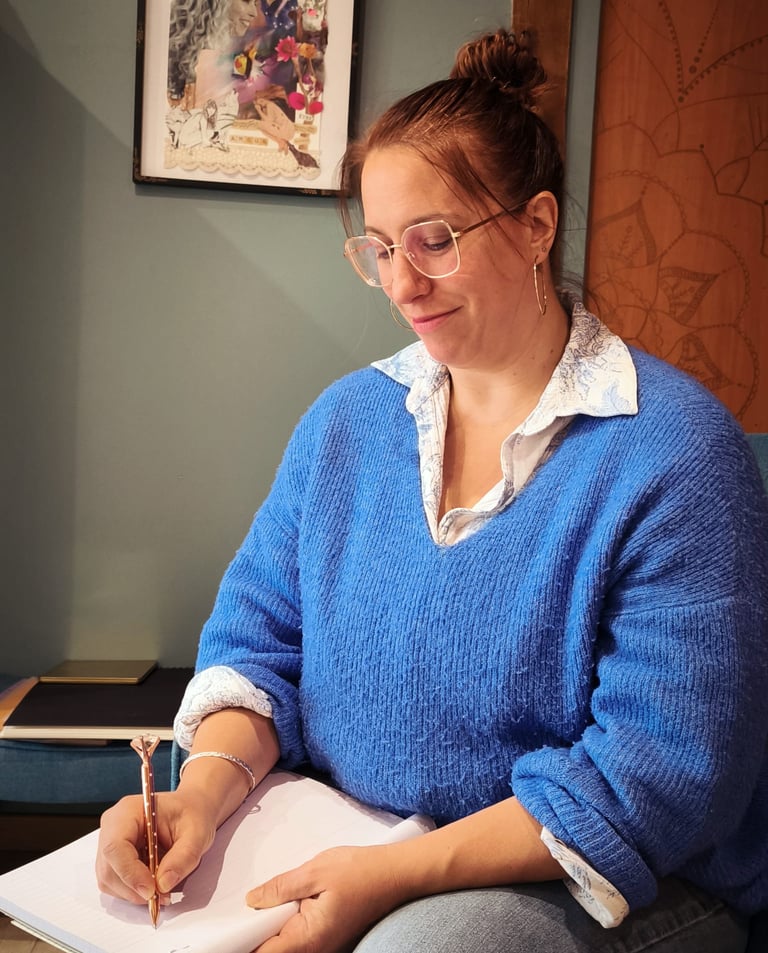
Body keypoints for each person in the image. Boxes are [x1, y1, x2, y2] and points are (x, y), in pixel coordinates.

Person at [98, 28, 768, 953]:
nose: (402, 284)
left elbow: (657, 774)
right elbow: (256, 645)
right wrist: (201, 795)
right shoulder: (346, 423)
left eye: (435, 241)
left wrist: (388, 877)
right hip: (357, 837)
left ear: (537, 225)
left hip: (613, 876)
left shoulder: (676, 454)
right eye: (379, 248)